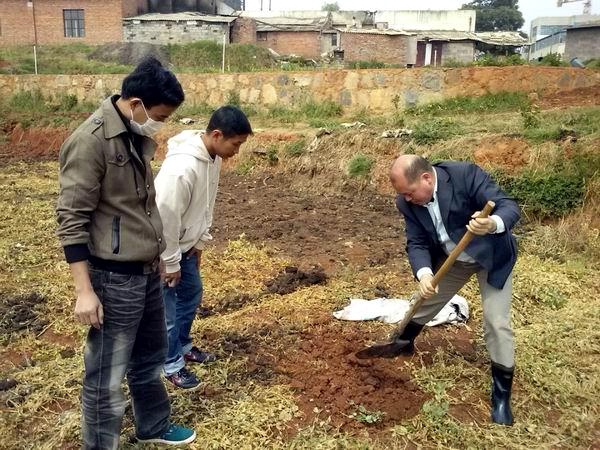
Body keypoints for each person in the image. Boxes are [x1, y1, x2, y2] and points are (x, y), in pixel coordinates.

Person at [56, 57, 196, 448]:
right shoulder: (90, 141)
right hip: (113, 278)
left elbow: (140, 206)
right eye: (160, 116)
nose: (161, 124)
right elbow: (71, 218)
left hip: (146, 271)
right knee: (106, 375)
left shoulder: (133, 134)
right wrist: (84, 291)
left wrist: (159, 256)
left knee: (149, 358)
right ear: (135, 103)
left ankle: (152, 425)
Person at [387, 155, 520, 426]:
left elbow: (509, 206)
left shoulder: (464, 175)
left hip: (490, 257)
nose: (407, 199)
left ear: (426, 178)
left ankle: (501, 395)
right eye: (404, 195)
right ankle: (402, 342)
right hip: (454, 259)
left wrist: (492, 224)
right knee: (423, 301)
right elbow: (416, 241)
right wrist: (425, 274)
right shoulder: (406, 202)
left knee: (497, 322)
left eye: (410, 193)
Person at [155, 106, 252, 389]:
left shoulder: (213, 157)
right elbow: (164, 216)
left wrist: (199, 242)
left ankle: (183, 346)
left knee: (191, 293)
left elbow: (206, 203)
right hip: (163, 251)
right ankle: (170, 364)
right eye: (236, 144)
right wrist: (170, 261)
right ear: (217, 135)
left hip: (187, 246)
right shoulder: (181, 168)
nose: (237, 151)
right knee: (167, 310)